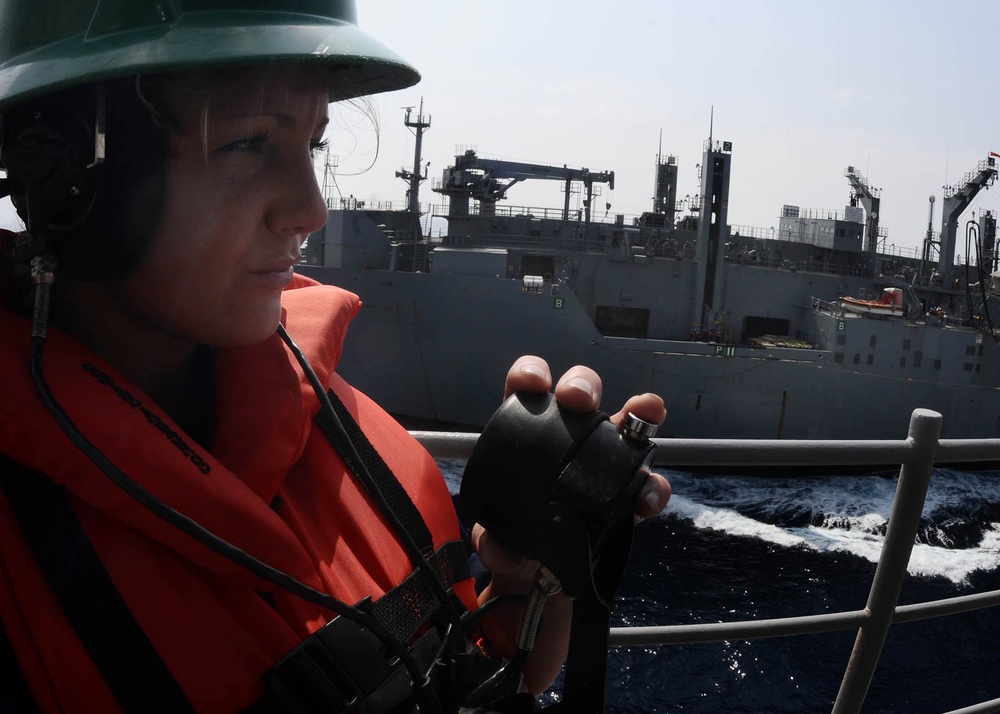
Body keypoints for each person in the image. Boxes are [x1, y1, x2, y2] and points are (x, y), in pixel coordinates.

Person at [0, 2, 670, 712]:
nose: (311, 208)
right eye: (250, 143)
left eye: (314, 146)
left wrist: (538, 586)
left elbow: (467, 673)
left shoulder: (382, 453)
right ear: (72, 173)